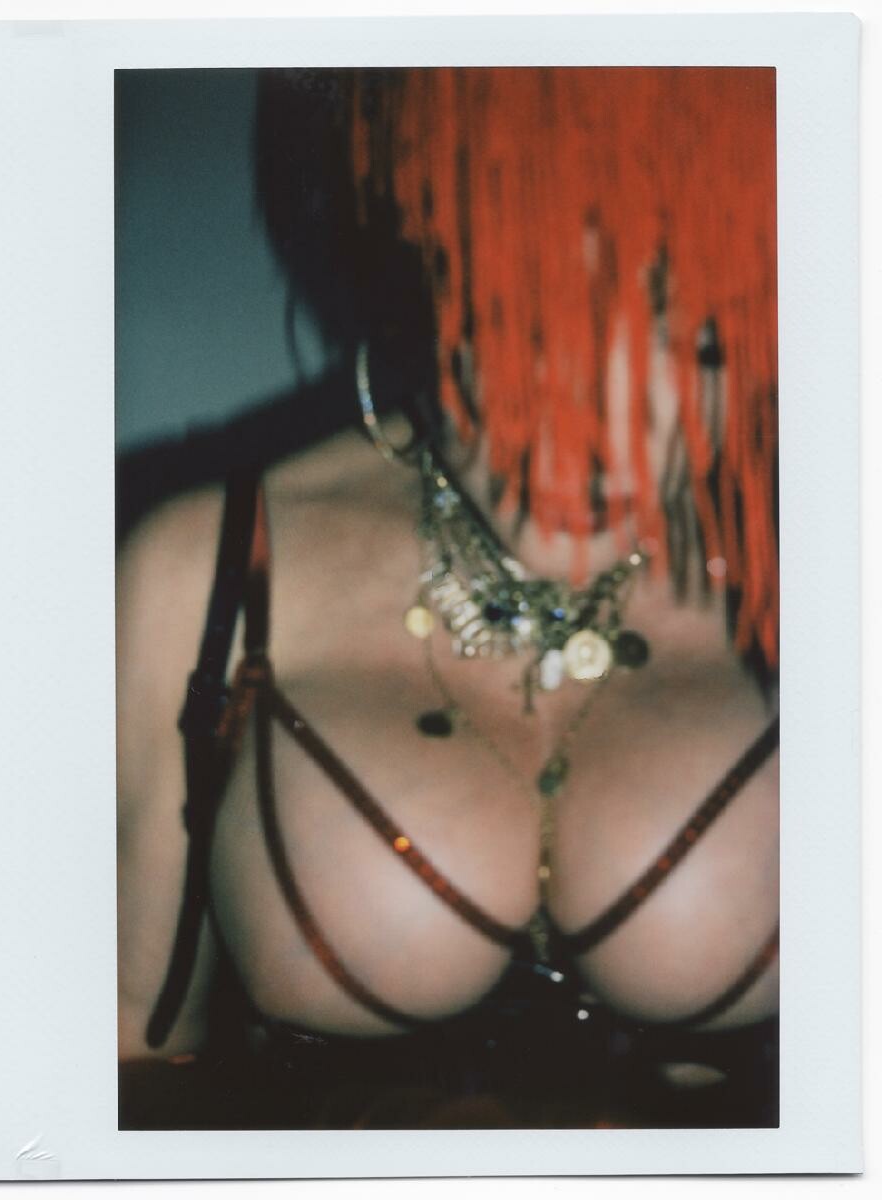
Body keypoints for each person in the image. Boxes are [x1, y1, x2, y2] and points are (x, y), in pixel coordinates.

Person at [116, 67, 779, 1129]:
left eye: (684, 329)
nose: (593, 424)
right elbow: (118, 1058)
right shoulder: (203, 575)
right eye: (528, 317)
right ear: (410, 293)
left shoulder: (830, 570)